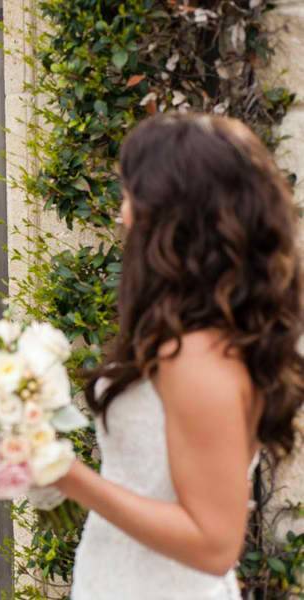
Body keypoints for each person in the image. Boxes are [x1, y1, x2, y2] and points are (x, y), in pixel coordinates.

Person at [48, 113, 304, 599]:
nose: (122, 214)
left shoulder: (195, 355)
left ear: (172, 212)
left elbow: (214, 543)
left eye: (130, 195)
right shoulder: (198, 332)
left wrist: (65, 474)